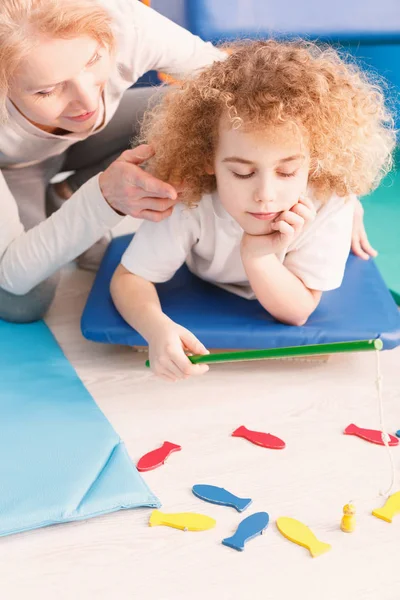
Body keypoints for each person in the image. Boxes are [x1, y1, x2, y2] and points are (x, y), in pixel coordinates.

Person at [110, 40, 395, 382]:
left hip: (331, 205)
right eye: (243, 172)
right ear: (207, 160)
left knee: (346, 203)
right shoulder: (189, 198)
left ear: (314, 161)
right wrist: (156, 329)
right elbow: (130, 278)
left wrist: (258, 256)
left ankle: (355, 208)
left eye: (287, 172)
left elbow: (299, 311)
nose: (265, 196)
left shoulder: (326, 203)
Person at [0, 0, 225, 322]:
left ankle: (66, 195)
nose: (88, 101)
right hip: (11, 171)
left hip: (81, 144)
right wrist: (103, 199)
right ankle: (70, 199)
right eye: (47, 91)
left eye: (92, 60)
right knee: (21, 302)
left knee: (192, 108)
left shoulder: (122, 18)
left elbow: (229, 80)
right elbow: (13, 277)